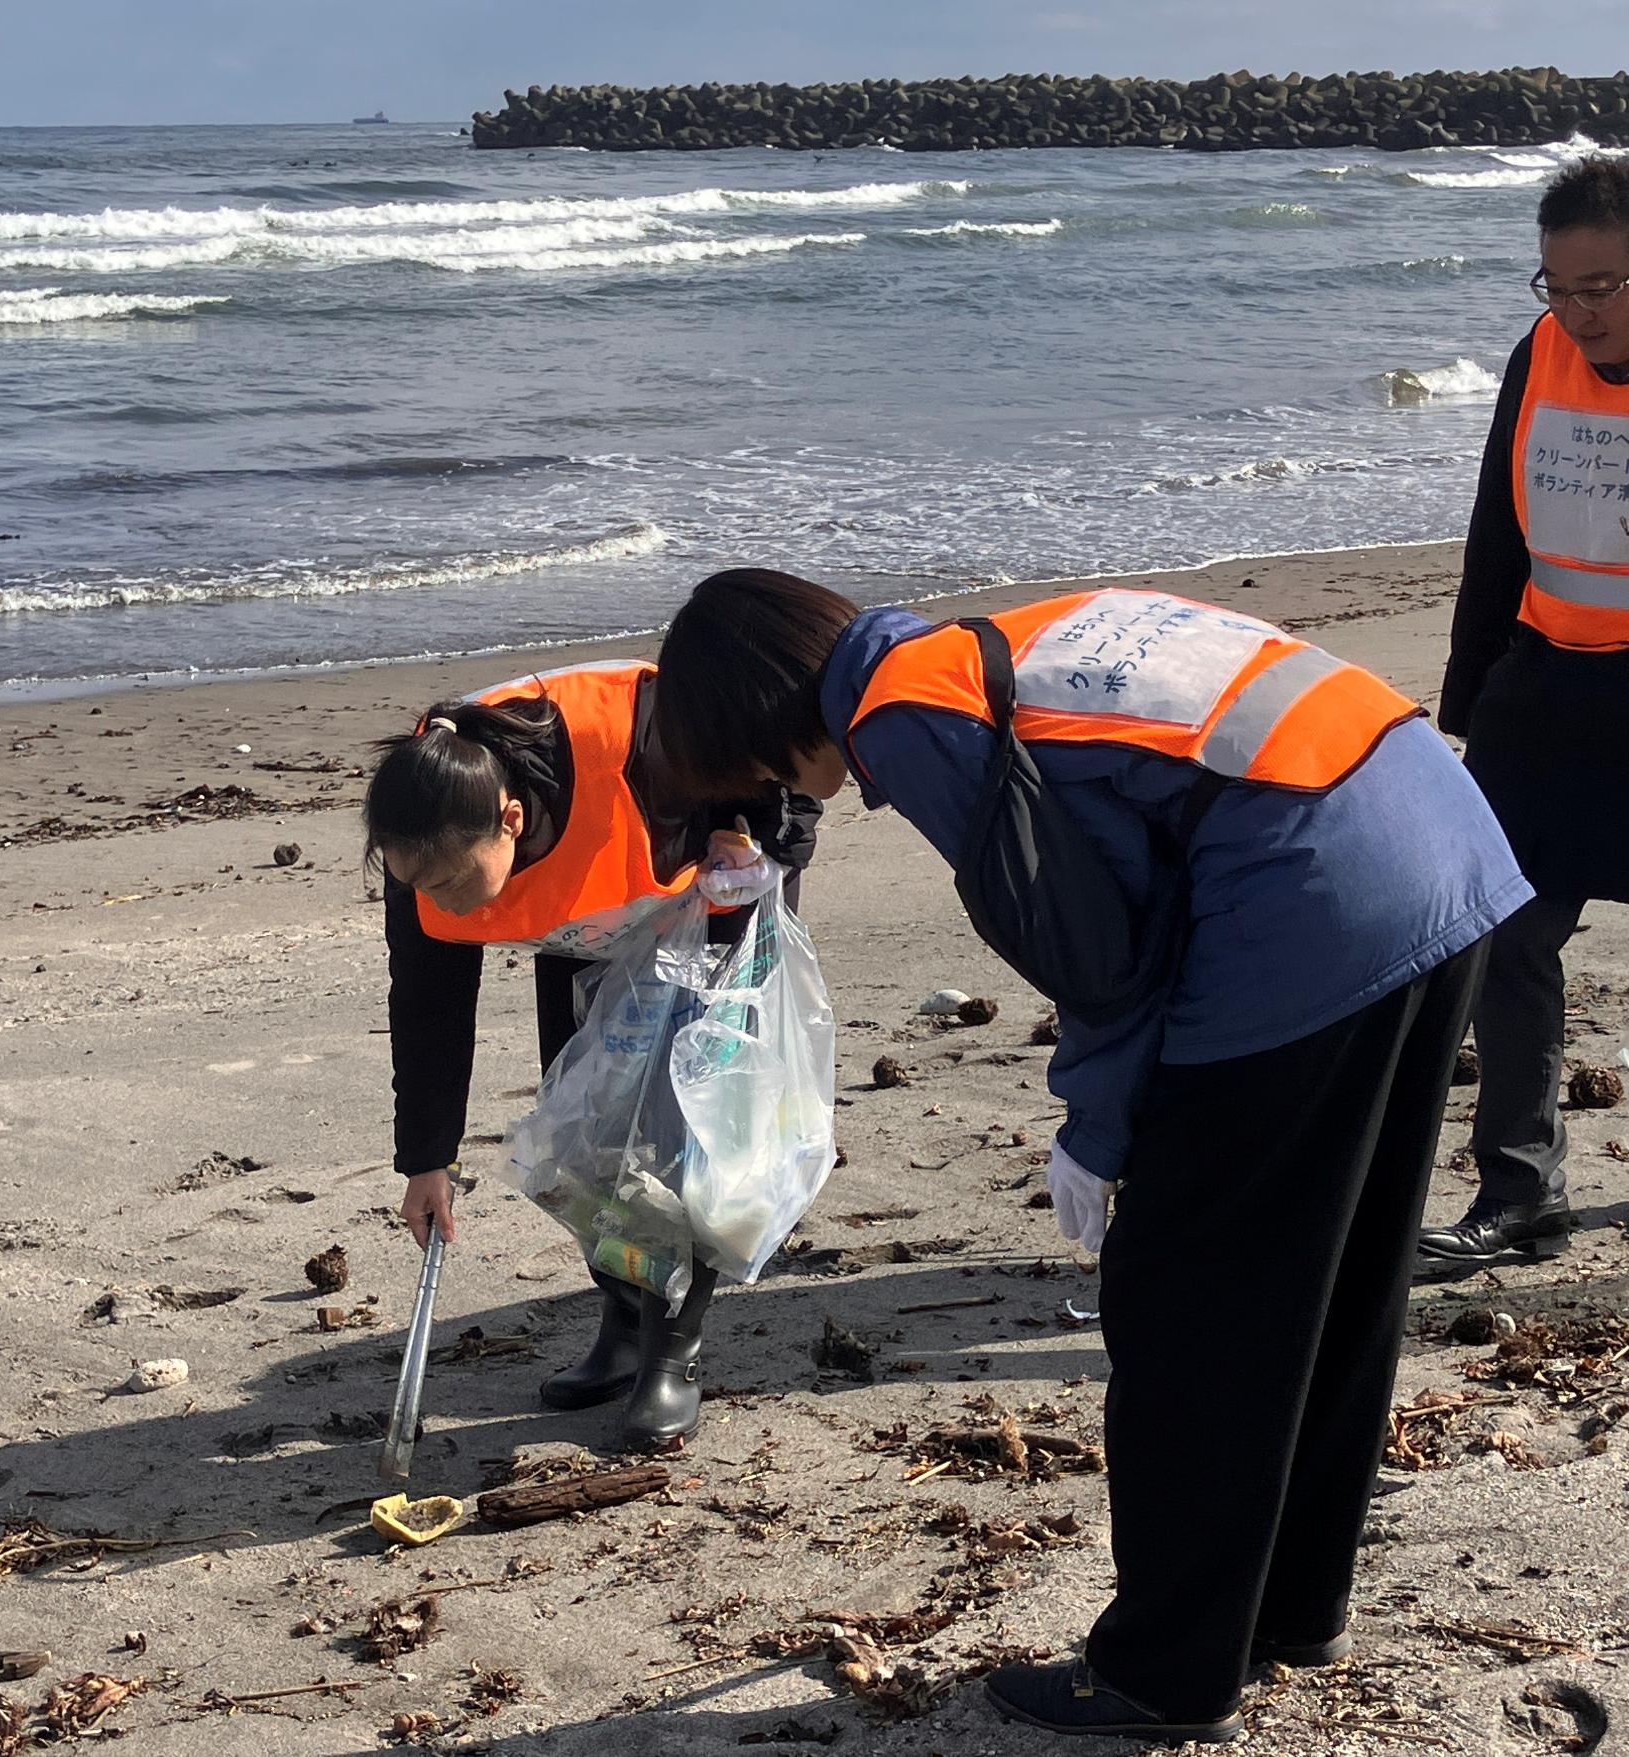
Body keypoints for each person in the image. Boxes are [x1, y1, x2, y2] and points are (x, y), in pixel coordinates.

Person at [655, 571, 1529, 1746]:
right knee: (1338, 1266)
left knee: (1184, 1310)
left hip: (1308, 897)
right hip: (1436, 836)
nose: (770, 790)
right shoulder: (980, 643)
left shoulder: (903, 717)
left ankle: (1162, 1670)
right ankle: (1293, 1603)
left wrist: (1096, 1130)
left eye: (748, 764)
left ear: (757, 716)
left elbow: (1097, 948)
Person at [363, 658, 815, 1451]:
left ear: (510, 819)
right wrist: (426, 1159)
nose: (438, 899)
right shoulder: (424, 833)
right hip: (588, 928)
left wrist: (773, 841)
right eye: (417, 885)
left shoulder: (645, 747)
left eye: (451, 882)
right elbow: (429, 1005)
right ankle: (625, 1324)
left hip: (701, 918)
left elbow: (780, 759)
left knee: (678, 1146)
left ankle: (672, 1352)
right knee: (586, 1141)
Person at [1423, 155, 1629, 1274]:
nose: (1578, 311)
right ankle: (1519, 1188)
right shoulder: (1537, 353)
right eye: (1558, 285)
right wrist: (1469, 696)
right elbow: (1495, 530)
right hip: (1544, 688)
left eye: (1602, 287)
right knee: (1498, 933)